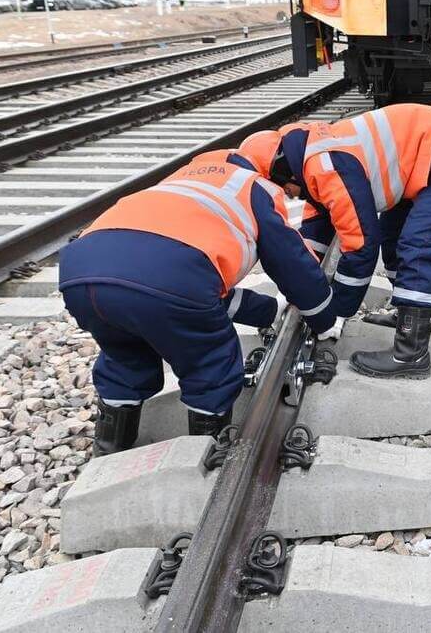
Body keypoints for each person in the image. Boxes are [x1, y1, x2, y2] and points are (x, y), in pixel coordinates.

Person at [58, 143, 340, 455]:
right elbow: (292, 264)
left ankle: (109, 448)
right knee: (212, 362)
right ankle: (201, 454)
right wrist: (324, 318)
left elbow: (190, 295)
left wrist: (267, 311)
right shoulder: (253, 186)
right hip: (173, 278)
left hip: (80, 275)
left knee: (124, 355)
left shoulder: (175, 182)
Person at [248, 104, 431, 377]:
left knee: (419, 245)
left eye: (284, 190)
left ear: (284, 171)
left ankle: (411, 355)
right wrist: (292, 287)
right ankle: (408, 317)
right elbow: (315, 234)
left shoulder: (328, 166)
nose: (289, 196)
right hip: (423, 161)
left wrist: (337, 311)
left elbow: (361, 246)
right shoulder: (310, 163)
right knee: (393, 239)